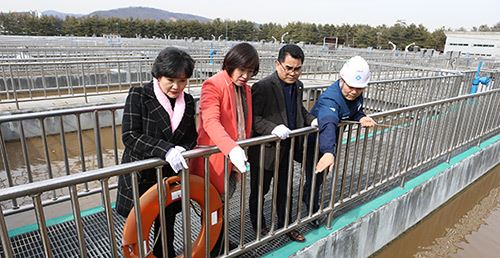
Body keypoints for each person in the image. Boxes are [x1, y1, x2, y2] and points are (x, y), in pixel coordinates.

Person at [115, 47, 197, 257]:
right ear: (158, 74)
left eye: (183, 80)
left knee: (167, 226)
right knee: (138, 229)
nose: (177, 86)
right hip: (141, 177)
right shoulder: (139, 95)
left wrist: (182, 149)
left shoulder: (187, 101)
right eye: (171, 79)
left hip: (169, 177)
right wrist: (166, 149)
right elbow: (130, 136)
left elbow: (191, 137)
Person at [190, 42, 259, 255]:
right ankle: (211, 247)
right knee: (212, 206)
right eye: (242, 70)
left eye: (250, 72)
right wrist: (232, 148)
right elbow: (210, 121)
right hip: (216, 159)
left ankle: (219, 242)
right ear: (230, 64)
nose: (246, 76)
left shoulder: (245, 89)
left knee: (224, 204)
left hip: (234, 158)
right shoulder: (213, 85)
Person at [248, 44, 316, 242]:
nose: (293, 73)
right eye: (288, 68)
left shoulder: (298, 86)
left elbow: (298, 110)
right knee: (260, 191)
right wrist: (273, 128)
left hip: (288, 148)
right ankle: (259, 226)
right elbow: (255, 119)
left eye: (297, 68)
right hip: (265, 151)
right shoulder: (263, 87)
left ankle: (286, 226)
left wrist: (311, 118)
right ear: (278, 64)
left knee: (285, 190)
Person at [303, 56, 376, 226]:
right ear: (342, 80)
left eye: (359, 89)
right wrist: (328, 151)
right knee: (315, 176)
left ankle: (308, 196)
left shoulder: (355, 95)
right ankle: (311, 210)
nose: (354, 92)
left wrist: (362, 118)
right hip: (316, 140)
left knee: (321, 177)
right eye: (351, 87)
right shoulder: (330, 98)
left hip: (330, 141)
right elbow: (328, 121)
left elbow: (354, 111)